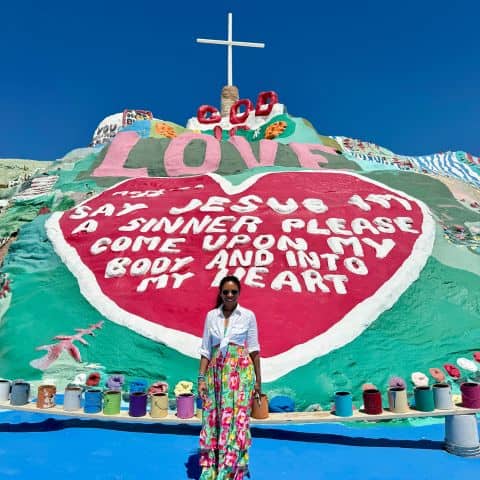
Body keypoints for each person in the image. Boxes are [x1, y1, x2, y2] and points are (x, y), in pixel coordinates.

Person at [198, 275, 262, 480]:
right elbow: (206, 350)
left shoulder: (248, 315)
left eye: (233, 291)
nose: (229, 295)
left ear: (239, 293)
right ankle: (212, 469)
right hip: (215, 375)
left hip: (240, 375)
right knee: (214, 419)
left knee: (236, 421)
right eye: (226, 291)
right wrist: (201, 378)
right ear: (220, 292)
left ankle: (232, 471)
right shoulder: (211, 316)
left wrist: (259, 381)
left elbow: (254, 349)